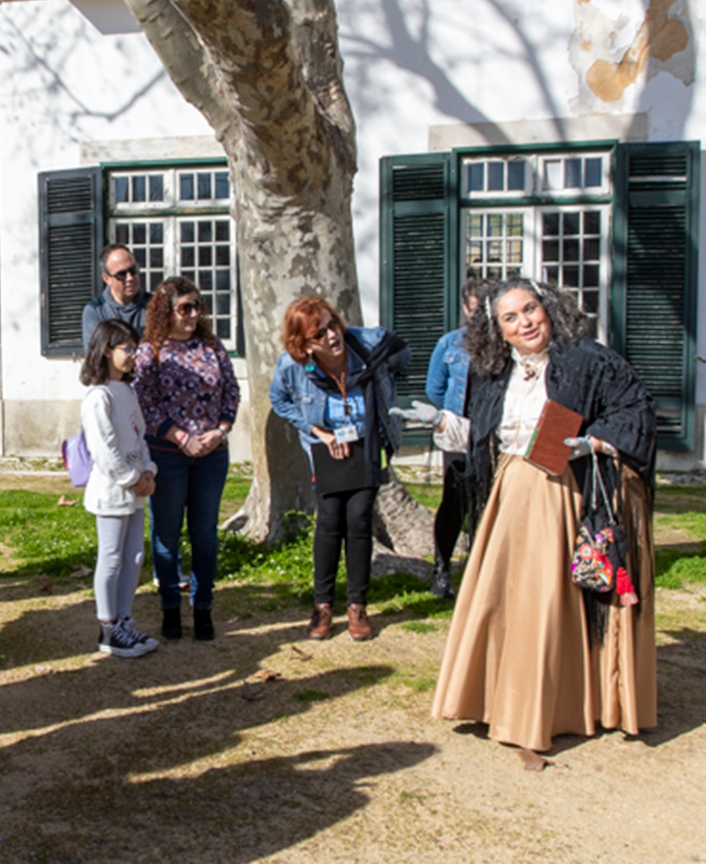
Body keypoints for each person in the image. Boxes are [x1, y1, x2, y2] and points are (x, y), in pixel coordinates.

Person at [403, 278, 658, 762]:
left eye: (531, 309)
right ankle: (500, 699)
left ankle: (552, 707)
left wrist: (597, 442)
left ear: (548, 308)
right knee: (504, 602)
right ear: (496, 331)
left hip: (563, 495)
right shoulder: (493, 373)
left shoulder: (586, 360)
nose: (526, 323)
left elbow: (637, 409)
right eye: (511, 318)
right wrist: (439, 422)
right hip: (510, 493)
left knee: (547, 605)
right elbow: (485, 438)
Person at [269, 297, 412, 642]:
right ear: (303, 345)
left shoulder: (368, 343)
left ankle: (357, 606)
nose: (333, 336)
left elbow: (402, 354)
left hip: (369, 443)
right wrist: (318, 432)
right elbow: (280, 400)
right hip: (325, 447)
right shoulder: (291, 366)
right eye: (320, 334)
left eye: (333, 325)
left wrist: (387, 392)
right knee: (330, 519)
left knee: (360, 516)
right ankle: (322, 606)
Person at [133, 276, 240, 642]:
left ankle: (203, 608)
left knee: (205, 534)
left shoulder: (211, 345)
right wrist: (179, 437)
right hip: (169, 455)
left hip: (212, 455)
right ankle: (170, 611)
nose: (194, 314)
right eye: (185, 308)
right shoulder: (151, 350)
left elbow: (231, 391)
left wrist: (220, 431)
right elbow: (145, 402)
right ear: (168, 311)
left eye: (197, 306)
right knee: (165, 534)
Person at [80, 319, 160, 657]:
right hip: (113, 490)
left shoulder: (126, 391)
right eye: (127, 349)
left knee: (134, 556)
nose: (133, 355)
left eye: (135, 348)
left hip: (136, 489)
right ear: (106, 350)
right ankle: (108, 628)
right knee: (111, 558)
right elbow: (105, 449)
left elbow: (139, 437)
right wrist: (132, 478)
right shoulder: (98, 397)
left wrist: (149, 471)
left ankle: (126, 621)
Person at [424, 277, 491, 599]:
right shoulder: (449, 343)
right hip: (459, 435)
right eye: (475, 310)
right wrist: (451, 420)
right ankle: (441, 568)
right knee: (454, 502)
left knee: (488, 503)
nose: (480, 318)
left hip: (493, 434)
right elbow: (434, 388)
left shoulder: (503, 343)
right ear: (465, 308)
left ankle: (482, 572)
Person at [80, 242, 150, 346]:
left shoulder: (154, 305)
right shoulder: (95, 311)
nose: (130, 278)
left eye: (133, 270)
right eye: (121, 274)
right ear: (106, 279)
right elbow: (96, 357)